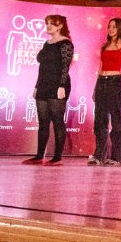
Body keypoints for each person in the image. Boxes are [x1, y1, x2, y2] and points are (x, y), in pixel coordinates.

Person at [23, 15, 73, 166]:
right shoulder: (47, 43)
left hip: (58, 85)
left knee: (57, 121)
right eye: (47, 23)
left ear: (60, 26)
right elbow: (42, 68)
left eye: (52, 24)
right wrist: (37, 86)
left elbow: (65, 67)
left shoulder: (66, 43)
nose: (48, 26)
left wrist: (62, 86)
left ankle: (57, 157)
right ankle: (39, 155)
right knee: (43, 122)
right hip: (44, 84)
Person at [90, 17, 121, 166]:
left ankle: (116, 157)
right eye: (109, 26)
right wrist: (95, 88)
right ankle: (98, 155)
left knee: (116, 120)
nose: (111, 29)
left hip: (115, 83)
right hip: (102, 81)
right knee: (100, 120)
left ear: (120, 28)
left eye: (114, 26)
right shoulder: (104, 46)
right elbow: (100, 69)